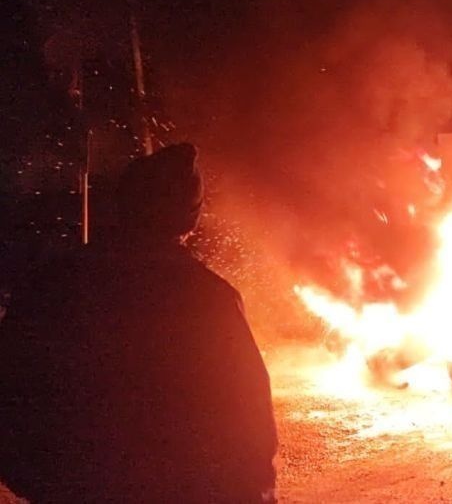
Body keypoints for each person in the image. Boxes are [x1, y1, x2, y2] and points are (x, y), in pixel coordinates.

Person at [0, 143, 277, 502]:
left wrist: (37, 481)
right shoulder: (209, 298)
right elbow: (247, 421)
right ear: (189, 218)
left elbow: (12, 389)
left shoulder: (54, 284)